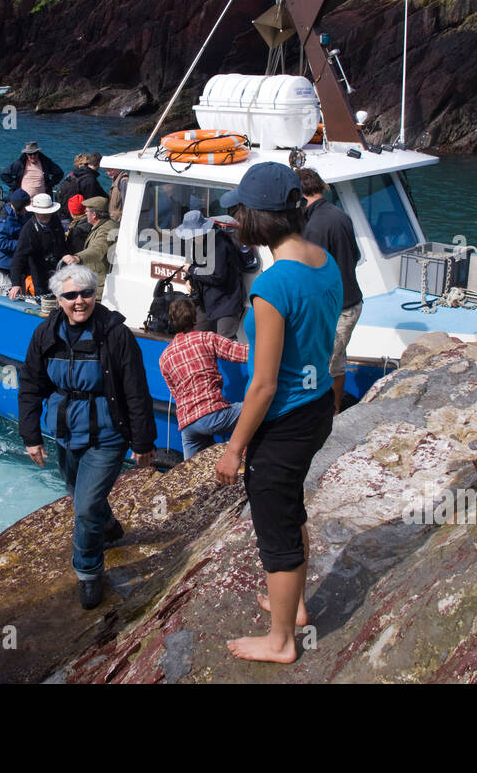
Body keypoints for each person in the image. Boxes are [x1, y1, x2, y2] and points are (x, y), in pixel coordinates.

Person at [213, 162, 341, 664]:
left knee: (277, 531)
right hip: (316, 410)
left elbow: (263, 386)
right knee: (291, 506)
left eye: (240, 211)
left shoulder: (271, 288)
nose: (235, 219)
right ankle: (296, 607)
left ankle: (282, 640)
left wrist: (233, 448)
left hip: (283, 420)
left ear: (257, 221)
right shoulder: (323, 261)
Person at [18, 264, 156, 609]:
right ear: (59, 299)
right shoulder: (45, 334)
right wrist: (31, 435)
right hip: (65, 434)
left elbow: (135, 389)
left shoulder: (115, 334)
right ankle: (108, 526)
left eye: (86, 293)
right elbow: (32, 386)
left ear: (96, 294)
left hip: (107, 435)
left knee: (85, 506)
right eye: (70, 295)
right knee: (80, 497)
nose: (80, 301)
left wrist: (142, 442)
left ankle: (89, 572)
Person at [298, 168, 363, 413]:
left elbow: (312, 275)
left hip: (335, 310)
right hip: (350, 302)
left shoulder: (314, 228)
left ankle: (320, 417)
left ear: (301, 196)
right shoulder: (340, 215)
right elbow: (354, 256)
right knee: (336, 364)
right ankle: (334, 411)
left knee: (320, 366)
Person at [159, 298, 249, 459]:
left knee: (191, 475)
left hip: (188, 424)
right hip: (213, 414)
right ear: (195, 318)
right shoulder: (206, 338)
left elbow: (176, 394)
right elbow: (242, 353)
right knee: (259, 408)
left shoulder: (164, 357)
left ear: (173, 322)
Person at [174, 209, 245, 339]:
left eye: (194, 235)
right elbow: (195, 263)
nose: (192, 238)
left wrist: (191, 271)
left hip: (226, 300)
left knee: (225, 341)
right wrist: (189, 278)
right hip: (206, 299)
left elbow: (216, 276)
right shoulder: (198, 241)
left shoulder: (220, 244)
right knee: (198, 337)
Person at [7, 192, 68, 303]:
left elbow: (61, 245)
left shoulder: (55, 221)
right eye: (41, 213)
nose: (45, 216)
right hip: (40, 278)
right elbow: (19, 258)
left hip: (59, 273)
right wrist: (15, 284)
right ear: (34, 212)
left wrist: (65, 256)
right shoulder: (28, 230)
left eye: (47, 213)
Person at [61, 195, 118, 297]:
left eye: (87, 211)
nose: (85, 213)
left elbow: (98, 249)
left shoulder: (106, 229)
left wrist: (77, 257)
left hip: (100, 285)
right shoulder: (107, 225)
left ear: (94, 215)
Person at [0, 189, 30, 291]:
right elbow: (1, 243)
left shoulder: (18, 214)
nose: (26, 210)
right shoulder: (5, 220)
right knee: (8, 290)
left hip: (14, 259)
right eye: (25, 207)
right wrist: (23, 244)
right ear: (19, 206)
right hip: (2, 261)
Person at [1, 141, 65, 200]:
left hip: (42, 201)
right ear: (26, 154)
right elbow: (4, 175)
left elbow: (59, 173)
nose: (33, 156)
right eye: (30, 154)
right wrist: (16, 185)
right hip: (23, 201)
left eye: (35, 153)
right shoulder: (20, 163)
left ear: (38, 153)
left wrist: (50, 184)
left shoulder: (46, 162)